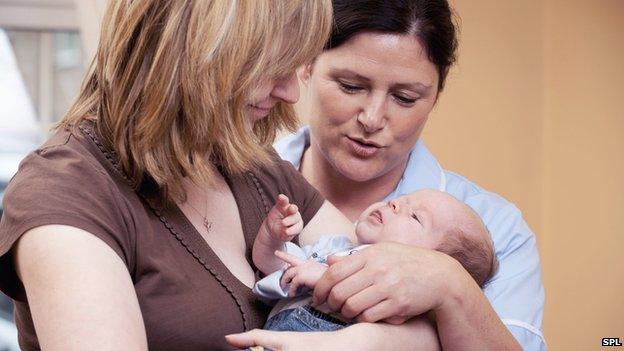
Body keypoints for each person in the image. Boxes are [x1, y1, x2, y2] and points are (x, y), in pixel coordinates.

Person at [229, 0, 546, 350]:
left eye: (405, 98)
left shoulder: (497, 229)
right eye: (350, 86)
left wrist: (450, 285)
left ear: (436, 95)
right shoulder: (236, 173)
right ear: (306, 65)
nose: (372, 118)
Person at [252, 189, 498, 333]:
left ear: (428, 265)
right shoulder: (333, 246)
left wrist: (325, 277)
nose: (394, 203)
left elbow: (367, 299)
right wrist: (273, 239)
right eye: (402, 199)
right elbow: (278, 269)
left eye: (414, 217)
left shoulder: (404, 301)